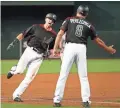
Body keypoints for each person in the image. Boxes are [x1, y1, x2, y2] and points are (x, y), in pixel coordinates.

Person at [52, 5, 116, 108]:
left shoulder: (69, 20)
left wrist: (55, 48)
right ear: (86, 14)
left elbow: (60, 34)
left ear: (77, 11)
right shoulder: (89, 25)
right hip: (81, 49)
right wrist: (107, 48)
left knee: (63, 75)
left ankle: (57, 100)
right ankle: (86, 101)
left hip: (69, 47)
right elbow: (97, 40)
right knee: (83, 76)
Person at [6, 13, 57, 102]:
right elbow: (23, 33)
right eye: (49, 19)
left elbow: (51, 48)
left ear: (53, 23)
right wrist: (14, 42)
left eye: (52, 20)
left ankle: (16, 95)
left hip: (39, 57)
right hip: (29, 51)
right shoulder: (36, 27)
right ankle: (14, 69)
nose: (50, 21)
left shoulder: (53, 35)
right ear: (45, 19)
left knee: (29, 77)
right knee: (19, 71)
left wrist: (48, 53)